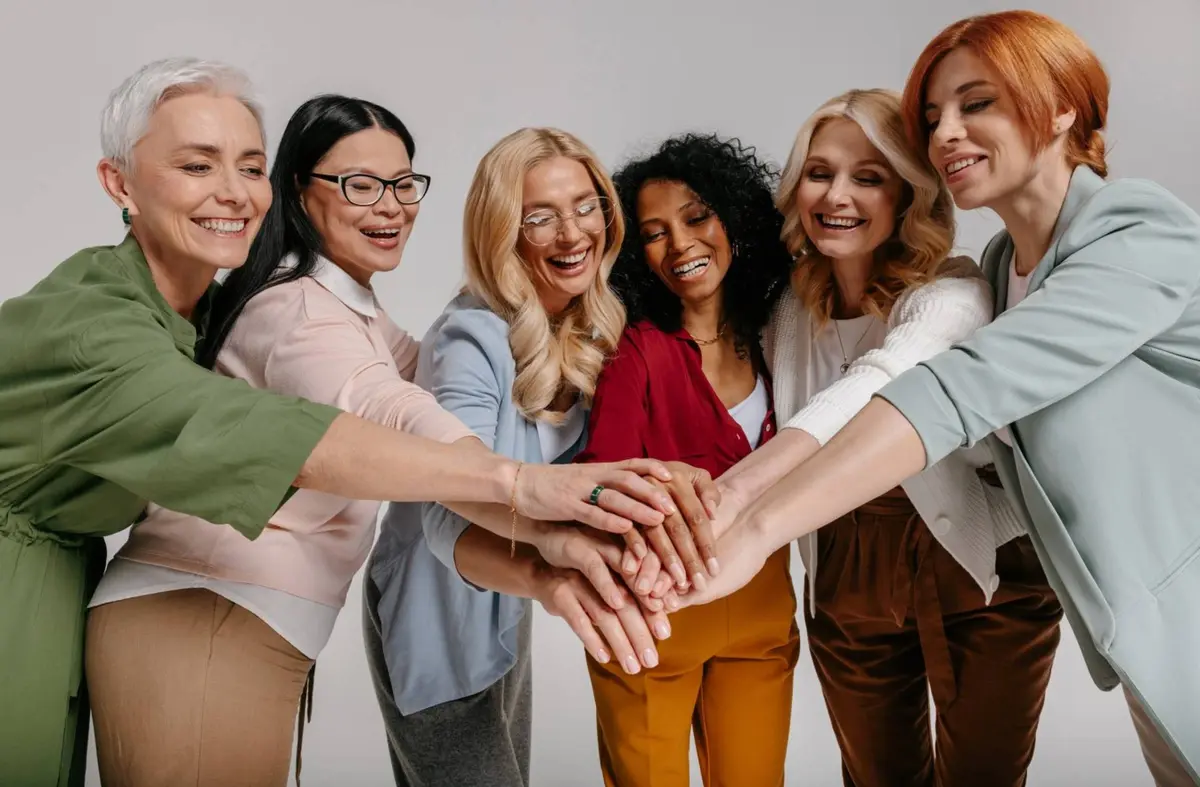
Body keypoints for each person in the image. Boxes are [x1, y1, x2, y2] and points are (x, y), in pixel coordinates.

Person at [0, 59, 697, 787]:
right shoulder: (297, 311)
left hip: (232, 625)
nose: (389, 205)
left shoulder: (346, 310)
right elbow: (382, 411)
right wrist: (518, 486)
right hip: (203, 616)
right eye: (359, 185)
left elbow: (426, 395)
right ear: (303, 194)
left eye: (403, 184)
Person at [687, 11, 1200, 786]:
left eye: (977, 103)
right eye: (933, 117)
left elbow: (954, 387)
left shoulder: (1139, 232)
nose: (946, 133)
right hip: (1142, 623)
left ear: (1061, 107)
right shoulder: (1004, 266)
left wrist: (753, 523)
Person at [709, 88, 1061, 786]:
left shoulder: (953, 293)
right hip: (846, 574)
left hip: (980, 570)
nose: (837, 194)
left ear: (908, 196)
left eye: (868, 177)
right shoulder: (783, 310)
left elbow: (881, 381)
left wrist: (737, 494)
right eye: (820, 172)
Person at [361, 127, 700, 787]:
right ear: (503, 233)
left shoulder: (588, 325)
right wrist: (553, 573)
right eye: (539, 218)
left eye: (586, 205)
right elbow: (442, 514)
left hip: (504, 607)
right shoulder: (471, 337)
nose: (574, 234)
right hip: (432, 620)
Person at [574, 133, 800, 787]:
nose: (680, 245)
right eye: (654, 232)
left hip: (762, 614)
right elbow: (596, 484)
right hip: (652, 624)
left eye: (697, 217)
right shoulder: (636, 350)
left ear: (732, 217)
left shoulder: (777, 338)